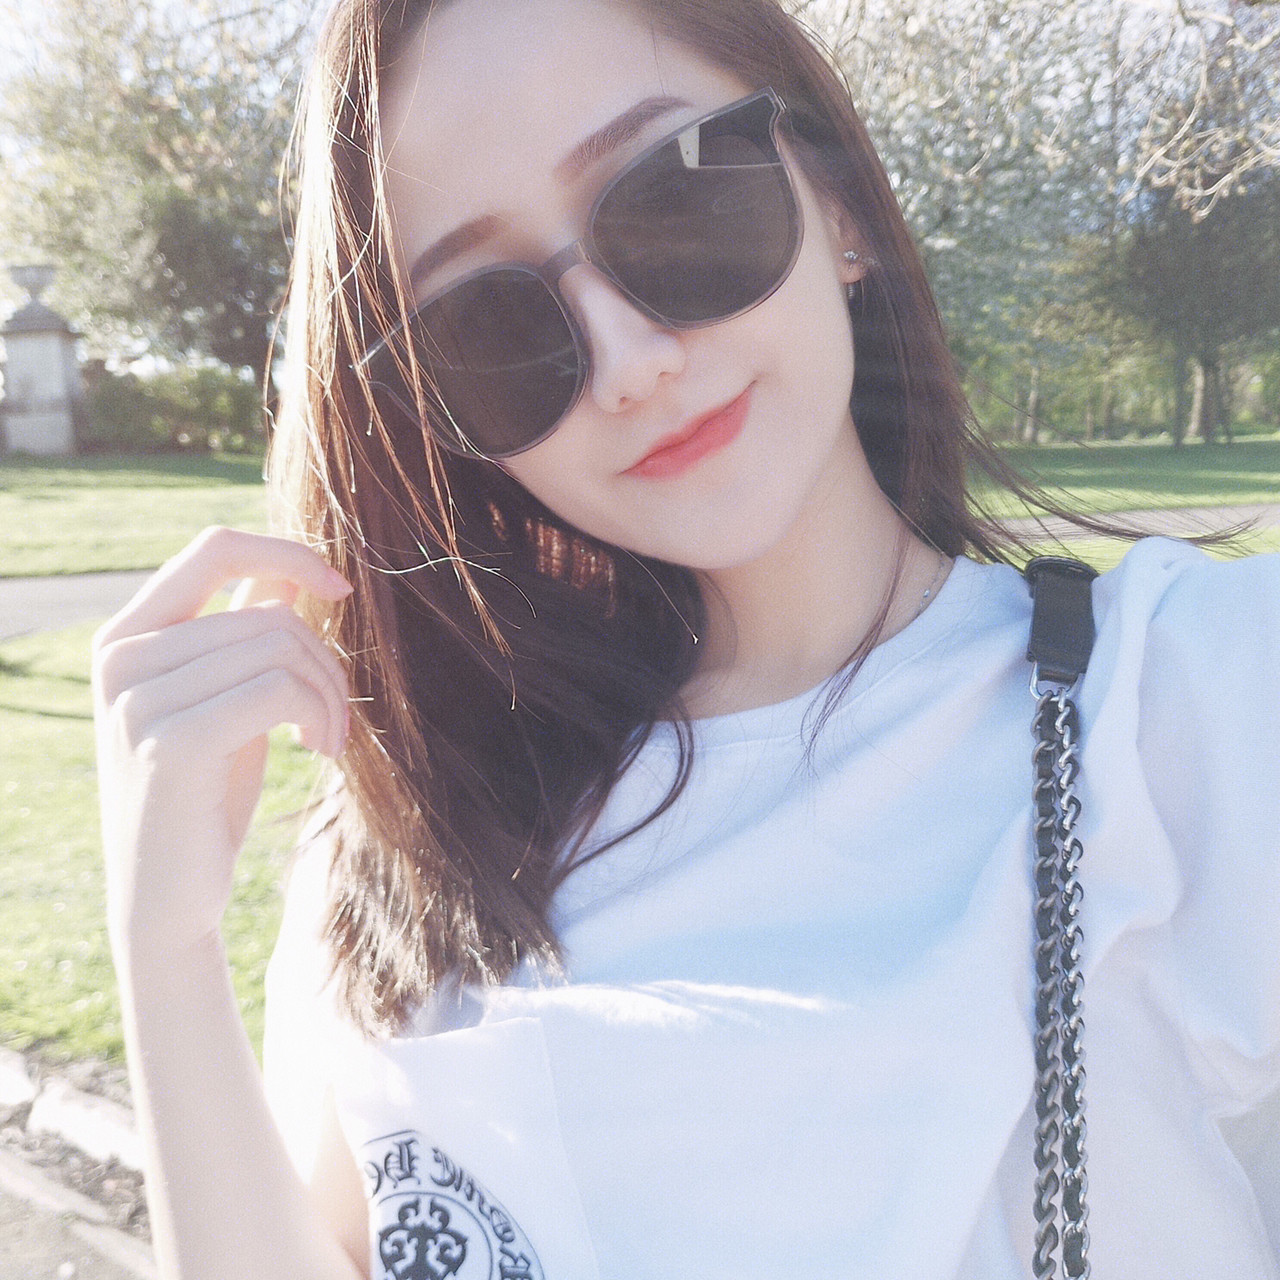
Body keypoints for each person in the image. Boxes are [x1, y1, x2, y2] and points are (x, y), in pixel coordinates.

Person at [90, 0, 1280, 1277]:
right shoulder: (413, 826)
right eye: (487, 325)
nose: (626, 360)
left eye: (672, 200)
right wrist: (165, 949)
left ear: (838, 202)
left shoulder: (1180, 699)